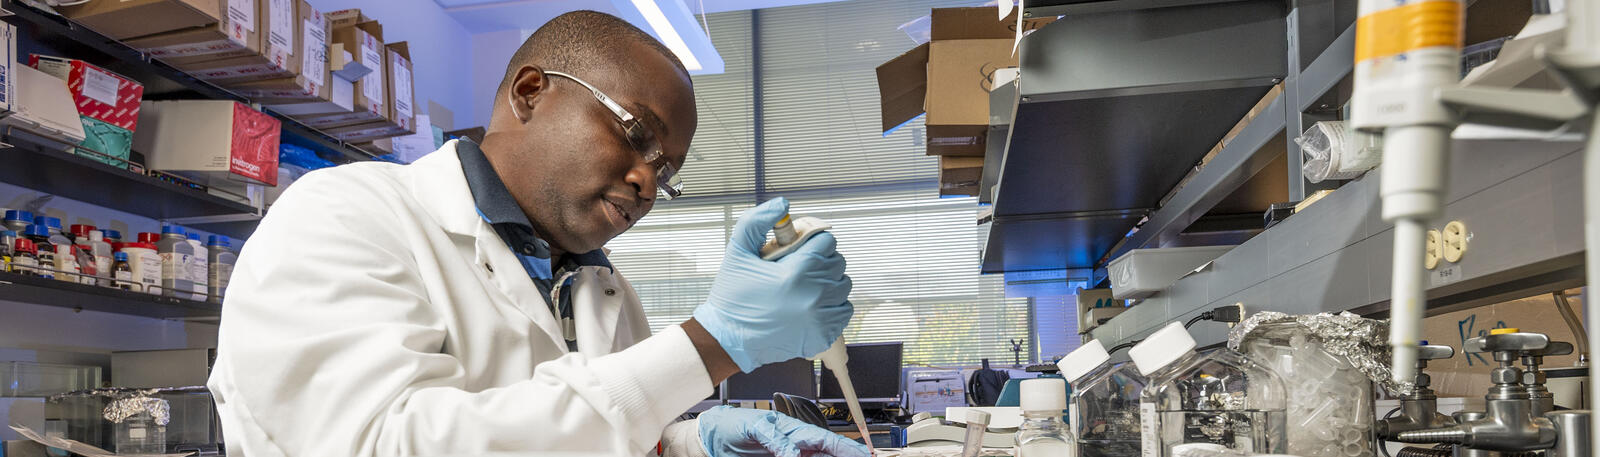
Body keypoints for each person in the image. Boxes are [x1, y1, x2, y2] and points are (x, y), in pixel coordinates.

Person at [206, 10, 865, 457]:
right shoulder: (345, 216)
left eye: (666, 173)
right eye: (638, 135)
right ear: (529, 92)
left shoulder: (604, 289)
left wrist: (688, 442)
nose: (645, 179)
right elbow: (384, 442)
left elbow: (583, 433)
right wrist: (707, 344)